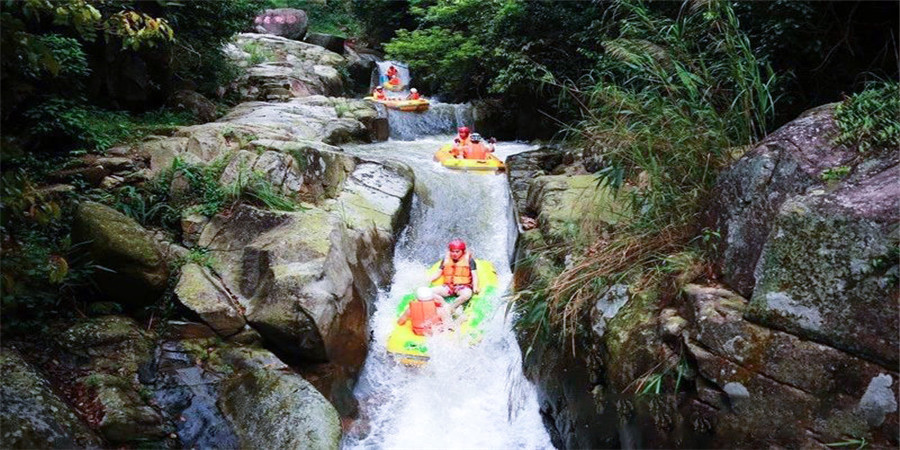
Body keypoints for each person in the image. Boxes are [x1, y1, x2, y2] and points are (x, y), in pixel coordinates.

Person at [430, 239, 478, 314]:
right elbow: (438, 273)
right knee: (428, 292)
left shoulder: (469, 260)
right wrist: (428, 280)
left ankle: (451, 308)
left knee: (467, 294)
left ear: (463, 251)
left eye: (457, 251)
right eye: (452, 251)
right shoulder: (446, 260)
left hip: (462, 286)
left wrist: (475, 287)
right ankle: (444, 305)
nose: (454, 254)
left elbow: (474, 275)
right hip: (448, 287)